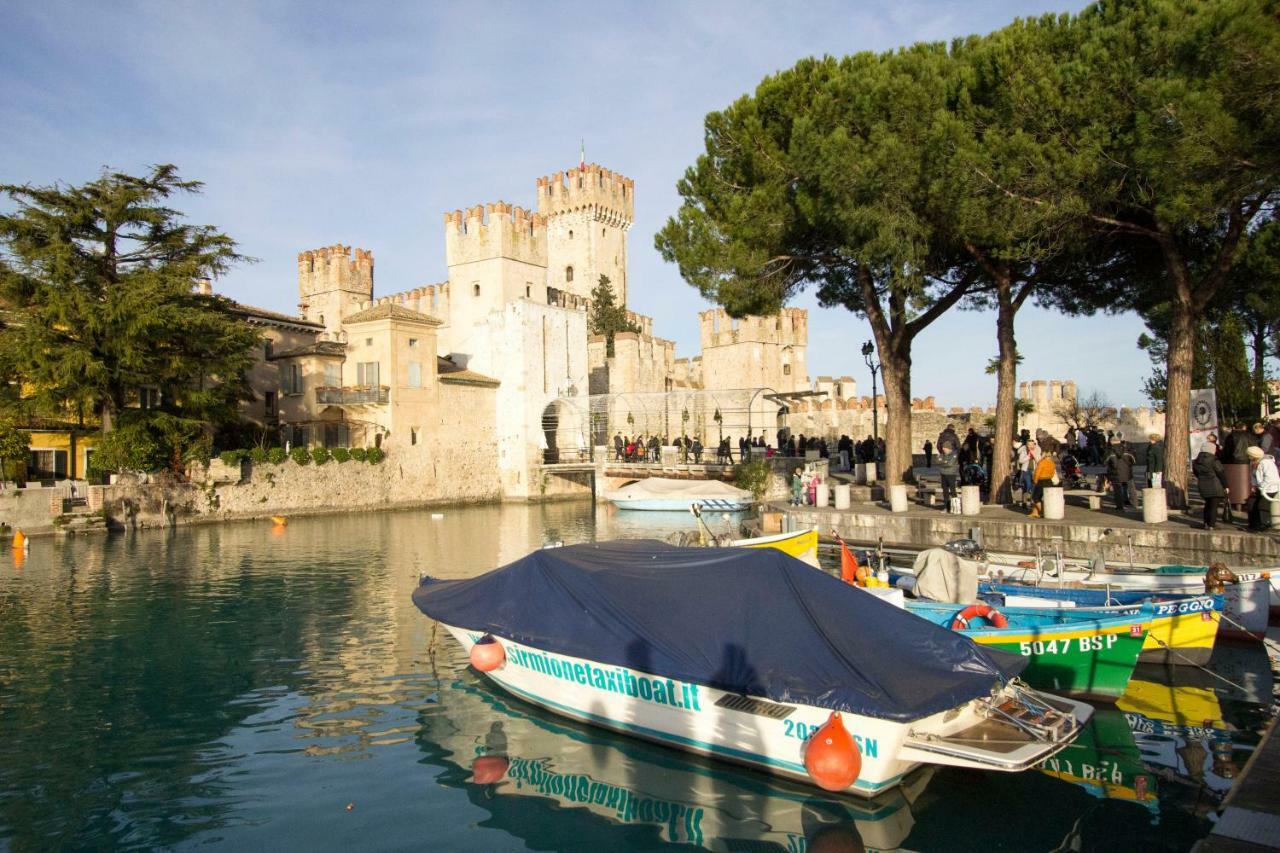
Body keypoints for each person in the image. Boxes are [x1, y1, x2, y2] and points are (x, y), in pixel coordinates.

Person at [1193, 434, 1229, 530]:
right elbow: (1221, 473)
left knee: (1207, 504)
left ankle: (1205, 523)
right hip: (1215, 484)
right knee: (1214, 505)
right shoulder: (1213, 460)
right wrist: (1226, 486)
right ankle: (1211, 525)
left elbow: (1196, 472)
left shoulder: (1196, 461)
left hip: (1203, 484)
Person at [1245, 445, 1280, 532]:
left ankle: (1263, 525)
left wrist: (1262, 487)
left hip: (1269, 488)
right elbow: (1253, 476)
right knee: (1251, 503)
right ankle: (1253, 524)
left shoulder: (1266, 462)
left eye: (1249, 455)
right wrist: (1254, 486)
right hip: (1259, 487)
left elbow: (1270, 478)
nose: (1248, 457)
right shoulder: (1254, 463)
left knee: (1262, 506)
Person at [1106, 437, 1136, 511]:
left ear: (1111, 442)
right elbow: (1134, 460)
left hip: (1115, 473)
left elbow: (1105, 462)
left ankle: (1119, 506)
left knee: (1117, 490)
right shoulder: (1127, 450)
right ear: (1119, 441)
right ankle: (1134, 504)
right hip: (1127, 472)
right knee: (1131, 488)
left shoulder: (1109, 452)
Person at [1029, 450, 1058, 519]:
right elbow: (1052, 473)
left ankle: (1042, 512)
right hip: (1049, 481)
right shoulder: (1052, 463)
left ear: (1043, 456)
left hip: (1041, 481)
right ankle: (1040, 512)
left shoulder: (1042, 463)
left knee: (1035, 498)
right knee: (1045, 498)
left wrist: (1035, 481)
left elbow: (1037, 473)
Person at [936, 444, 959, 512]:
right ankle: (947, 507)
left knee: (952, 491)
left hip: (951, 474)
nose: (943, 449)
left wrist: (942, 462)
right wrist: (944, 462)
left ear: (949, 448)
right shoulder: (942, 455)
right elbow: (937, 461)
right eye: (943, 447)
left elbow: (950, 464)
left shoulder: (954, 455)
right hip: (943, 474)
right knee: (945, 491)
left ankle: (955, 507)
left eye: (945, 448)